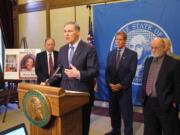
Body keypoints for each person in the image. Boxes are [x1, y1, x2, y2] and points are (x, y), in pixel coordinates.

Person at [56, 21, 98, 135]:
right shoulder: (62, 49)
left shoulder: (89, 49)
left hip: (82, 93)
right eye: (65, 31)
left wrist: (78, 74)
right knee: (67, 124)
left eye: (69, 31)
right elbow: (58, 71)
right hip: (64, 94)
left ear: (78, 32)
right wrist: (47, 82)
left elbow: (94, 71)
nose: (66, 34)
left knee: (82, 125)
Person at [141, 37, 180, 135]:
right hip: (149, 104)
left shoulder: (174, 63)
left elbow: (178, 85)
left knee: (170, 131)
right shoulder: (148, 61)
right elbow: (145, 81)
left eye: (156, 48)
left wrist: (175, 101)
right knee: (150, 132)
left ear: (163, 48)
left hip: (166, 105)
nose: (153, 50)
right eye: (152, 47)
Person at [105, 31, 137, 135]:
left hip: (124, 90)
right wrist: (110, 84)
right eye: (116, 39)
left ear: (125, 40)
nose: (117, 42)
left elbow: (131, 73)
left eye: (120, 39)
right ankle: (116, 130)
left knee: (127, 114)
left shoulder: (132, 54)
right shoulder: (111, 53)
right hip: (112, 89)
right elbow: (107, 71)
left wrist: (121, 85)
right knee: (113, 112)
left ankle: (128, 132)